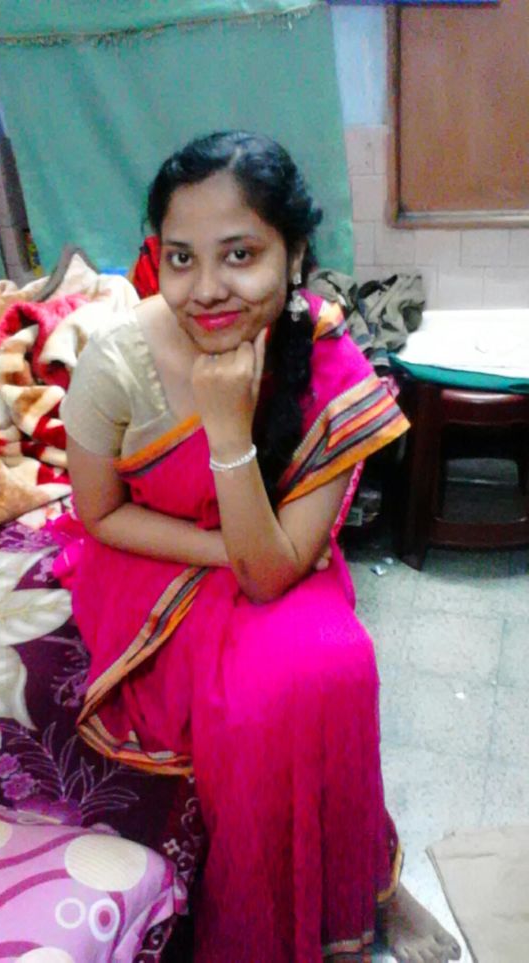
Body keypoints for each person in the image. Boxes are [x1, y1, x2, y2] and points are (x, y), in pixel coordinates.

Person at [61, 131, 462, 963]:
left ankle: (371, 885)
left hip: (274, 558)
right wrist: (223, 498)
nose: (207, 289)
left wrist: (231, 438)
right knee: (257, 704)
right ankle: (289, 921)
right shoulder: (117, 364)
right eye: (181, 257)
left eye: (239, 254)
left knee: (337, 665)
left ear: (295, 254)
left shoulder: (329, 361)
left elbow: (276, 573)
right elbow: (99, 515)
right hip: (155, 564)